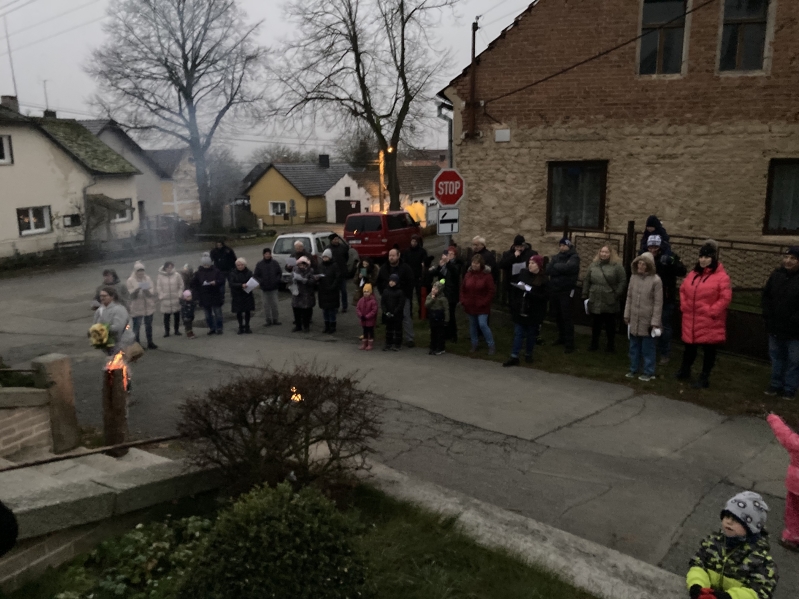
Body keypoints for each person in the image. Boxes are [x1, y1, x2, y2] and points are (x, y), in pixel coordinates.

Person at [686, 491, 778, 599]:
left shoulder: (761, 560)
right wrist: (697, 586)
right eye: (727, 516)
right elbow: (697, 564)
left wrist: (728, 597)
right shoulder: (712, 543)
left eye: (736, 520)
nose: (729, 522)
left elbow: (760, 592)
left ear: (750, 528)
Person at [677, 240, 731, 389]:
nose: (703, 260)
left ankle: (704, 376)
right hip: (691, 317)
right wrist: (684, 305)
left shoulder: (721, 277)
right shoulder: (693, 274)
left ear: (713, 258)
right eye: (701, 257)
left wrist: (712, 311)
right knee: (689, 347)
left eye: (706, 257)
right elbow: (683, 290)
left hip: (709, 320)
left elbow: (725, 298)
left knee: (709, 350)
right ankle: (685, 370)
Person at [762, 247, 799, 400]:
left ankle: (789, 388)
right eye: (787, 257)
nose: (788, 261)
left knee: (794, 360)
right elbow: (766, 296)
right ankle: (775, 384)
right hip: (775, 325)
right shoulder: (777, 275)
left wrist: (794, 319)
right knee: (777, 357)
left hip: (794, 329)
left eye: (793, 258)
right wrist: (768, 313)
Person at [645, 234, 686, 365]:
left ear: (660, 246)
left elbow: (682, 271)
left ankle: (665, 353)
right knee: (648, 324)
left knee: (665, 326)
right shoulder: (645, 257)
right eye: (650, 246)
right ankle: (650, 350)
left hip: (666, 298)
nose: (653, 249)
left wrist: (671, 262)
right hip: (649, 297)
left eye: (655, 246)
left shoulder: (669, 256)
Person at [624, 252, 663, 382]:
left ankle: (648, 371)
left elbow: (658, 303)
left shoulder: (656, 280)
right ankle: (633, 368)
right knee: (634, 346)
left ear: (649, 266)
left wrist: (655, 321)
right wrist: (627, 314)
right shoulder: (633, 278)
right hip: (634, 317)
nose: (640, 266)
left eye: (643, 264)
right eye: (639, 263)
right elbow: (629, 297)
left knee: (648, 348)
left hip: (648, 320)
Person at [504, 255, 548, 367]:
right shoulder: (524, 273)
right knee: (518, 333)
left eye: (533, 263)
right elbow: (516, 289)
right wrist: (515, 303)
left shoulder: (543, 279)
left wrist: (530, 292)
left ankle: (528, 354)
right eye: (529, 263)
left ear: (539, 265)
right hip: (521, 308)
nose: (530, 265)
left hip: (533, 311)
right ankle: (514, 356)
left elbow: (544, 297)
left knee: (531, 334)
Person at [582, 245, 626, 352]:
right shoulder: (593, 265)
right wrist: (585, 293)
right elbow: (587, 280)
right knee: (596, 323)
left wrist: (617, 294)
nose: (604, 254)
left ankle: (610, 345)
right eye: (602, 252)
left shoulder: (617, 266)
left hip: (609, 298)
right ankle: (594, 344)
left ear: (611, 253)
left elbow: (622, 281)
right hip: (595, 297)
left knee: (610, 323)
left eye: (606, 252)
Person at [765, 413, 799, 552]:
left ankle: (792, 536)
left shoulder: (795, 442)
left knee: (793, 509)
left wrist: (772, 418)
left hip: (795, 484)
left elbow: (782, 432)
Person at [546, 238, 580, 353]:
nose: (561, 247)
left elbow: (569, 268)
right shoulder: (556, 257)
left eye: (564, 245)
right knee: (558, 316)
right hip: (555, 290)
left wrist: (557, 267)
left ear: (568, 246)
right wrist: (560, 269)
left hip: (566, 291)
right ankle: (561, 337)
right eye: (560, 245)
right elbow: (548, 269)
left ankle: (569, 343)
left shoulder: (574, 257)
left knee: (567, 317)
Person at [377, 249, 416, 347]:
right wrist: (384, 293)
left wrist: (405, 294)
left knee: (405, 316)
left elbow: (411, 282)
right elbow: (379, 282)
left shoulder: (405, 268)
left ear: (398, 256)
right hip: (389, 298)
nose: (391, 257)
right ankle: (392, 338)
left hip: (403, 297)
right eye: (390, 255)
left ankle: (410, 338)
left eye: (393, 255)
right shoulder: (384, 268)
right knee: (390, 317)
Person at [460, 254, 496, 355]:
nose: (474, 265)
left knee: (482, 324)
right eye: (473, 263)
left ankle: (491, 345)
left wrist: (484, 302)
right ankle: (474, 344)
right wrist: (463, 300)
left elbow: (491, 291)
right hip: (470, 304)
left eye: (477, 263)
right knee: (472, 325)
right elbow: (463, 289)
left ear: (481, 264)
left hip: (482, 306)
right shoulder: (468, 275)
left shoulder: (487, 276)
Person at [428, 249, 461, 343]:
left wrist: (448, 263)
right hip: (443, 293)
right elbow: (434, 274)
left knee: (450, 314)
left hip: (451, 294)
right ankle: (446, 334)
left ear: (455, 256)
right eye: (447, 254)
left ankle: (453, 335)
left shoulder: (457, 264)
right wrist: (439, 266)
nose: (449, 255)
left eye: (451, 254)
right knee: (443, 314)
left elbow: (455, 273)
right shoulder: (444, 266)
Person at [93, 286, 136, 355]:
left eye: (104, 296)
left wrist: (103, 328)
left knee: (119, 360)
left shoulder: (119, 309)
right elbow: (95, 325)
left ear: (112, 296)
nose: (102, 298)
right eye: (101, 296)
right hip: (107, 343)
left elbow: (118, 327)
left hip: (121, 343)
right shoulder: (100, 310)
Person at [191, 254, 226, 335]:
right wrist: (198, 293)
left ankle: (219, 328)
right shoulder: (198, 273)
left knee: (218, 314)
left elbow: (222, 280)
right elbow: (193, 284)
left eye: (207, 264)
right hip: (204, 296)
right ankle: (212, 328)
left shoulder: (216, 271)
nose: (206, 266)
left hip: (215, 295)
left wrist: (216, 282)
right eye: (204, 264)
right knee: (207, 315)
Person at [126, 262, 158, 349]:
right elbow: (131, 296)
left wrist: (146, 290)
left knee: (149, 325)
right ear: (135, 271)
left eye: (142, 271)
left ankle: (150, 342)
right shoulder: (130, 280)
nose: (141, 273)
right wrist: (136, 290)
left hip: (148, 305)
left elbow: (152, 292)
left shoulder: (147, 278)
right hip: (137, 306)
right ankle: (137, 344)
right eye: (139, 271)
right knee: (137, 326)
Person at [499, 234, 535, 301]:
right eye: (517, 247)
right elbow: (501, 265)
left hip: (525, 282)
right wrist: (513, 257)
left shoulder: (530, 253)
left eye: (521, 247)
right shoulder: (508, 254)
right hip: (512, 282)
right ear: (514, 246)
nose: (519, 249)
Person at [253, 247, 282, 326]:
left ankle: (275, 319)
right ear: (263, 255)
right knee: (266, 305)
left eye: (269, 254)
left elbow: (279, 273)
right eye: (266, 254)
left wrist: (277, 280)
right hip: (264, 288)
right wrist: (261, 281)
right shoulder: (259, 264)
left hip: (274, 288)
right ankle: (268, 320)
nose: (268, 255)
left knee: (274, 304)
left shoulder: (275, 263)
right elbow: (255, 275)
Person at [403, 234, 428, 316]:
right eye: (412, 241)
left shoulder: (422, 251)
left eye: (415, 241)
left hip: (418, 276)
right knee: (409, 296)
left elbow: (425, 262)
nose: (413, 243)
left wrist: (423, 266)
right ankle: (409, 313)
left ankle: (421, 312)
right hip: (409, 277)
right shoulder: (407, 251)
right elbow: (404, 263)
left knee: (419, 295)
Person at [156, 261, 184, 338]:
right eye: (168, 267)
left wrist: (179, 294)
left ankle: (176, 330)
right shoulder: (160, 276)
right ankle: (167, 331)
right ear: (165, 268)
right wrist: (161, 296)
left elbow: (181, 285)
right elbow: (158, 287)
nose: (170, 269)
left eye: (171, 267)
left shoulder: (177, 275)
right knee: (166, 317)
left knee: (177, 315)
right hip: (165, 299)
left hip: (175, 298)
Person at [317, 248, 342, 334]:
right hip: (323, 290)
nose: (324, 258)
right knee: (325, 310)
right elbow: (318, 274)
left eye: (326, 257)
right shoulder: (320, 266)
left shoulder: (334, 266)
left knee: (331, 310)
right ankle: (326, 325)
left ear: (330, 257)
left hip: (332, 291)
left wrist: (333, 286)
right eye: (323, 257)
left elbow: (338, 277)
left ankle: (332, 325)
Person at [291, 256, 317, 333]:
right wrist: (293, 279)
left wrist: (305, 280)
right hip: (297, 293)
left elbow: (313, 281)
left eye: (303, 264)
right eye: (300, 264)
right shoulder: (295, 269)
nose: (301, 266)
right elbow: (291, 278)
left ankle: (306, 326)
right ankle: (298, 326)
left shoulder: (310, 271)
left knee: (306, 312)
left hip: (306, 294)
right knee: (296, 311)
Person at [229, 257, 255, 334]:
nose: (240, 266)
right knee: (239, 312)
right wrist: (241, 285)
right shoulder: (233, 273)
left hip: (247, 294)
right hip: (237, 295)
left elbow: (253, 281)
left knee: (247, 311)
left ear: (244, 265)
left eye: (241, 265)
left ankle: (247, 326)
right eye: (238, 265)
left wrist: (249, 285)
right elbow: (231, 284)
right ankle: (240, 326)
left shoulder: (249, 272)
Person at [381, 273, 406, 351]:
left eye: (393, 281)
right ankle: (388, 343)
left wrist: (395, 312)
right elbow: (383, 302)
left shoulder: (400, 292)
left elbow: (401, 304)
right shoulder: (385, 291)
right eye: (390, 281)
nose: (391, 282)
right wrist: (385, 311)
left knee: (398, 330)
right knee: (389, 330)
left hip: (397, 315)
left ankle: (397, 344)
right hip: (388, 313)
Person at [328, 234, 352, 312]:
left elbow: (346, 257)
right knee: (335, 292)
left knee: (343, 291)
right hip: (333, 274)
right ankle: (336, 306)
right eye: (334, 239)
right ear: (331, 240)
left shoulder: (343, 247)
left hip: (342, 272)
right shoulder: (328, 249)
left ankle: (344, 306)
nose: (336, 241)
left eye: (337, 239)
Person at [426, 279, 449, 355]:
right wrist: (432, 299)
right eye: (433, 288)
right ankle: (433, 347)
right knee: (433, 332)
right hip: (432, 315)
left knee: (440, 333)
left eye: (436, 289)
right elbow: (426, 305)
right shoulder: (430, 296)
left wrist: (446, 320)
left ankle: (440, 348)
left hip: (440, 316)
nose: (433, 290)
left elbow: (446, 309)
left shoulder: (443, 299)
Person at [356, 283, 378, 350]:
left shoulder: (373, 301)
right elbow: (358, 308)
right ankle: (364, 344)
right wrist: (361, 316)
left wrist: (367, 316)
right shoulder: (361, 300)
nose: (366, 293)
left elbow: (374, 311)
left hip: (370, 320)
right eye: (364, 292)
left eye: (367, 292)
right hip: (363, 319)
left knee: (370, 332)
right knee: (364, 332)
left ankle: (370, 344)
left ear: (370, 292)